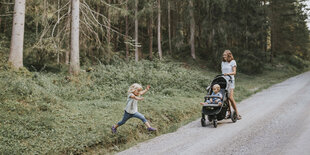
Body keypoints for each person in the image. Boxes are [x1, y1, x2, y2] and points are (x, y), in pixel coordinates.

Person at [222, 50, 241, 120]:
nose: (223, 56)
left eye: (225, 55)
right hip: (224, 81)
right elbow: (223, 72)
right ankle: (229, 113)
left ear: (229, 55)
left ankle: (237, 113)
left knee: (230, 97)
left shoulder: (233, 62)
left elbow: (234, 72)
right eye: (223, 55)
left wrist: (228, 74)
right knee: (226, 99)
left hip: (230, 81)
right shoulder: (223, 62)